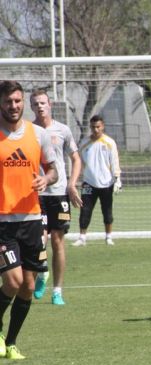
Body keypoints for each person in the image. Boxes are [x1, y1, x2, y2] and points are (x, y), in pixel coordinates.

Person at [0, 80, 58, 360]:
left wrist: (45, 179)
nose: (14, 106)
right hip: (2, 222)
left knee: (29, 286)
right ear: (1, 103)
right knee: (12, 281)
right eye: (9, 101)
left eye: (18, 101)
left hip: (32, 219)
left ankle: (10, 342)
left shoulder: (38, 135)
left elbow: (54, 170)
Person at [30, 89, 82, 306]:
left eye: (43, 102)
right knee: (39, 241)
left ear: (49, 104)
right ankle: (42, 274)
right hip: (36, 194)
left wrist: (71, 184)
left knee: (58, 242)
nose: (40, 106)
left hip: (59, 193)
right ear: (31, 107)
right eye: (35, 104)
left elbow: (76, 158)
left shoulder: (62, 130)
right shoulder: (28, 131)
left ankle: (58, 291)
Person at [72, 115, 120, 246]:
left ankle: (108, 237)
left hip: (107, 183)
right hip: (89, 182)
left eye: (98, 127)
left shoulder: (109, 143)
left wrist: (117, 179)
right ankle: (82, 237)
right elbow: (78, 161)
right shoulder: (84, 143)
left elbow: (114, 161)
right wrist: (76, 179)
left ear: (103, 126)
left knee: (107, 210)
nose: (96, 129)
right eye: (93, 127)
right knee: (85, 209)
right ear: (90, 127)